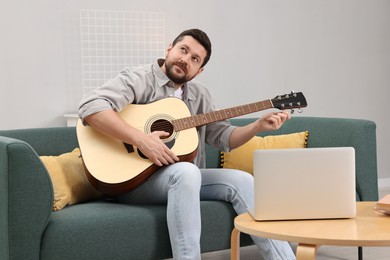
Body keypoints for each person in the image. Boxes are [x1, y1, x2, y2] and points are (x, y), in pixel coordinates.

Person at [78, 28, 295, 260]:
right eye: (183, 50)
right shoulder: (139, 78)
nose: (185, 59)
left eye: (194, 59)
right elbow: (91, 106)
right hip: (132, 181)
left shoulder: (200, 96)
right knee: (187, 172)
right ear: (169, 49)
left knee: (242, 180)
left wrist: (258, 126)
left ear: (199, 70)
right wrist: (140, 139)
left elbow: (223, 137)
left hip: (184, 180)